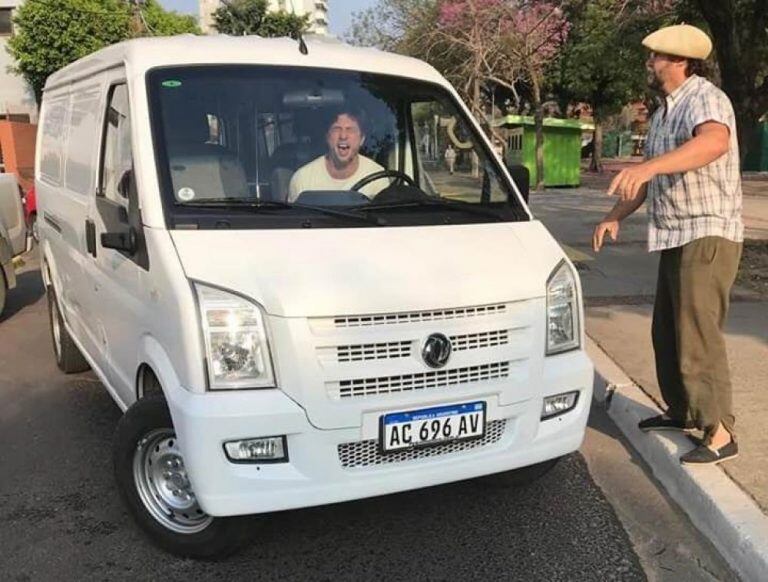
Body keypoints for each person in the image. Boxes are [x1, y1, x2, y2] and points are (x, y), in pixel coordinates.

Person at [592, 24, 744, 465]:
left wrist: (652, 167)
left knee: (698, 333)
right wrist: (614, 216)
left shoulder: (705, 98)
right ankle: (682, 412)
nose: (650, 62)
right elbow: (647, 177)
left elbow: (713, 142)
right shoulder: (662, 113)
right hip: (675, 232)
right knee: (668, 330)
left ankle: (719, 431)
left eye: (657, 55)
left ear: (679, 61)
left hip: (707, 230)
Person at [288, 109, 386, 202]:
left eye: (350, 130)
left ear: (362, 139)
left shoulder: (378, 179)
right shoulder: (303, 179)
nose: (343, 136)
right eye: (337, 129)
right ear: (327, 136)